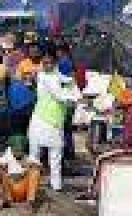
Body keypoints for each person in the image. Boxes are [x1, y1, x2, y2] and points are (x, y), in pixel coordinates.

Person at [27, 53, 82, 192]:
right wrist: (76, 97)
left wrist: (72, 82)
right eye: (44, 63)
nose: (47, 66)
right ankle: (32, 185)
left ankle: (55, 185)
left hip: (54, 122)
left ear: (54, 64)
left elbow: (64, 80)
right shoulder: (44, 77)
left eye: (50, 63)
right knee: (36, 156)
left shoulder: (54, 75)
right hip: (42, 120)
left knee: (55, 156)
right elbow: (59, 95)